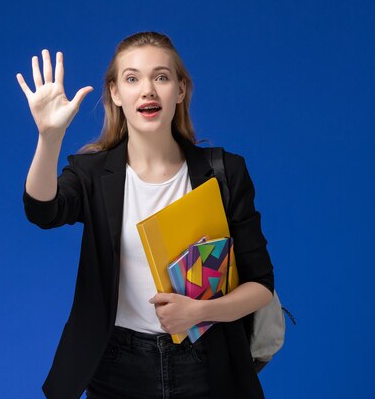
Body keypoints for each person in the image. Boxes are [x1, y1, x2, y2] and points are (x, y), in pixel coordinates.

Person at [17, 32, 275, 399]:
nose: (148, 90)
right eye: (132, 78)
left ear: (181, 90)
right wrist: (49, 137)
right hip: (117, 366)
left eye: (162, 77)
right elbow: (42, 210)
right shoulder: (93, 175)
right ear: (116, 94)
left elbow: (261, 287)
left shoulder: (224, 173)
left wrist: (200, 311)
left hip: (207, 363)